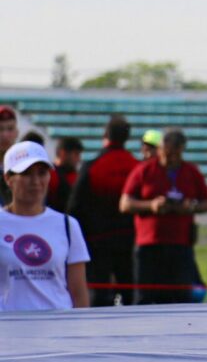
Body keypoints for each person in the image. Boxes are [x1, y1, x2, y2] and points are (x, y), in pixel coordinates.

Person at [119, 127, 207, 304]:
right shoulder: (144, 170)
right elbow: (125, 203)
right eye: (166, 153)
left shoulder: (191, 172)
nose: (170, 159)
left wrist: (190, 206)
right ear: (160, 149)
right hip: (149, 246)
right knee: (145, 299)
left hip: (180, 245)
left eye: (175, 154)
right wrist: (151, 205)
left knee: (179, 298)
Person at [0, 141, 90, 310]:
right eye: (26, 173)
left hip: (58, 330)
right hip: (9, 330)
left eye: (42, 173)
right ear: (8, 178)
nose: (35, 181)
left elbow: (78, 293)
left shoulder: (67, 225)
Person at [67, 113, 140, 306]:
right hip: (128, 238)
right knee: (128, 290)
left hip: (98, 240)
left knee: (99, 292)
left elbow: (75, 207)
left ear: (105, 135)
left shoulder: (92, 166)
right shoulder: (136, 167)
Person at [48, 137, 85, 213]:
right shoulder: (50, 175)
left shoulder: (76, 176)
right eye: (76, 154)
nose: (79, 159)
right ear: (63, 153)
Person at [0, 106, 21, 206]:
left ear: (17, 133)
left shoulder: (25, 168)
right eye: (0, 129)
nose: (5, 135)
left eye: (10, 129)